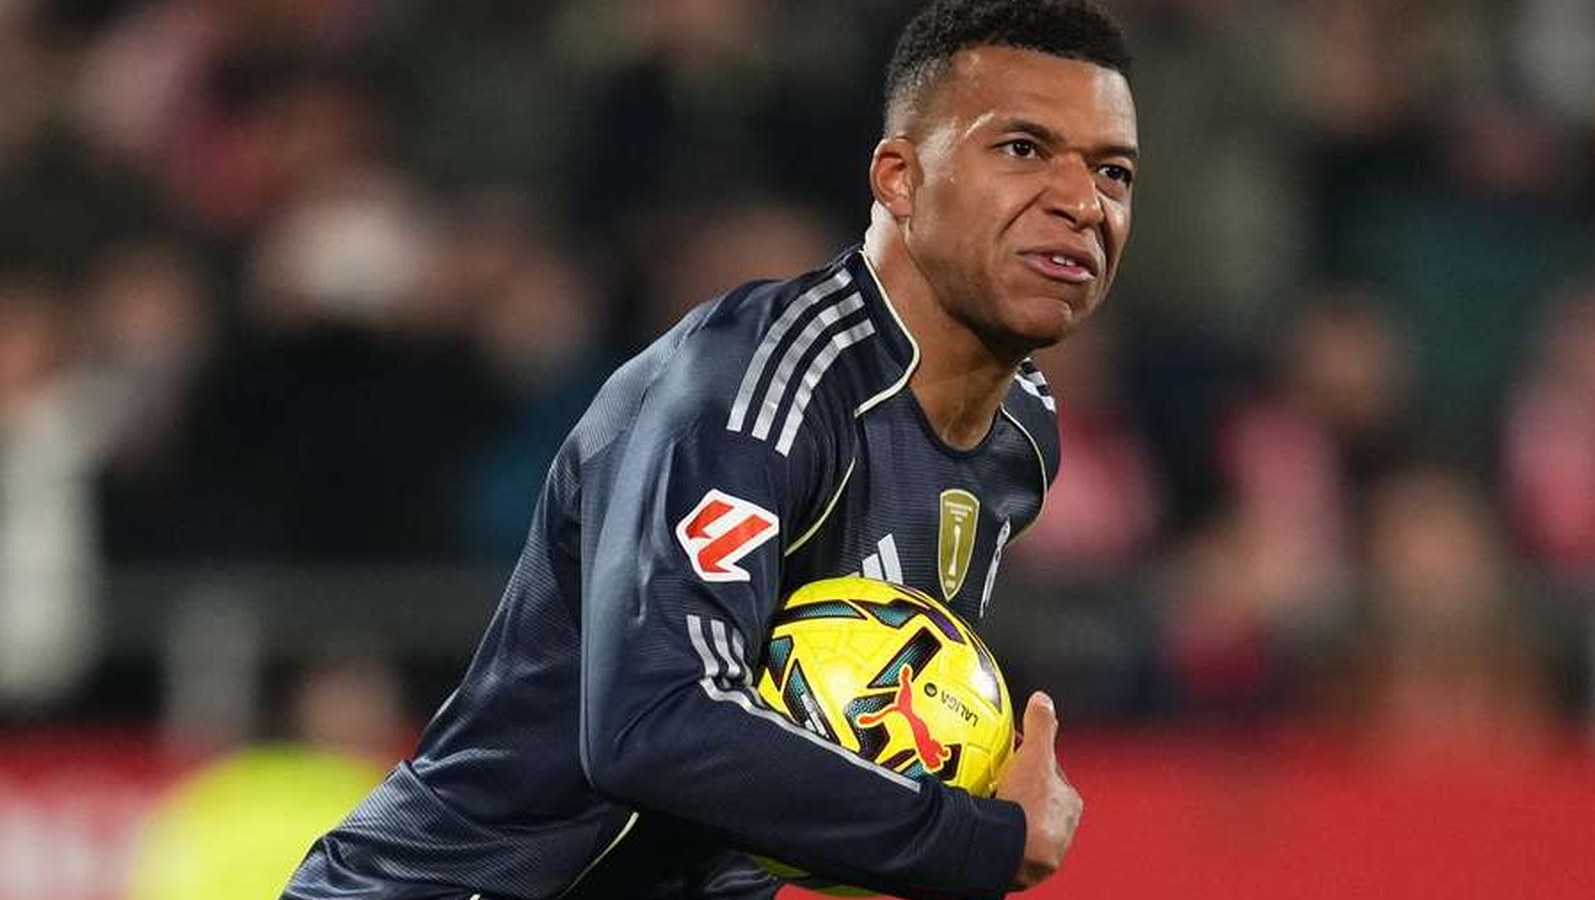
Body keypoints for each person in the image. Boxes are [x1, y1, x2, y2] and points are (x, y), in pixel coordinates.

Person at [282, 1, 1137, 898]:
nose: (1082, 203)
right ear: (899, 178)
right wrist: (973, 839)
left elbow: (815, 739)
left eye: (1112, 171)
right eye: (1023, 149)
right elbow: (655, 721)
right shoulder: (750, 384)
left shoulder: (1020, 437)